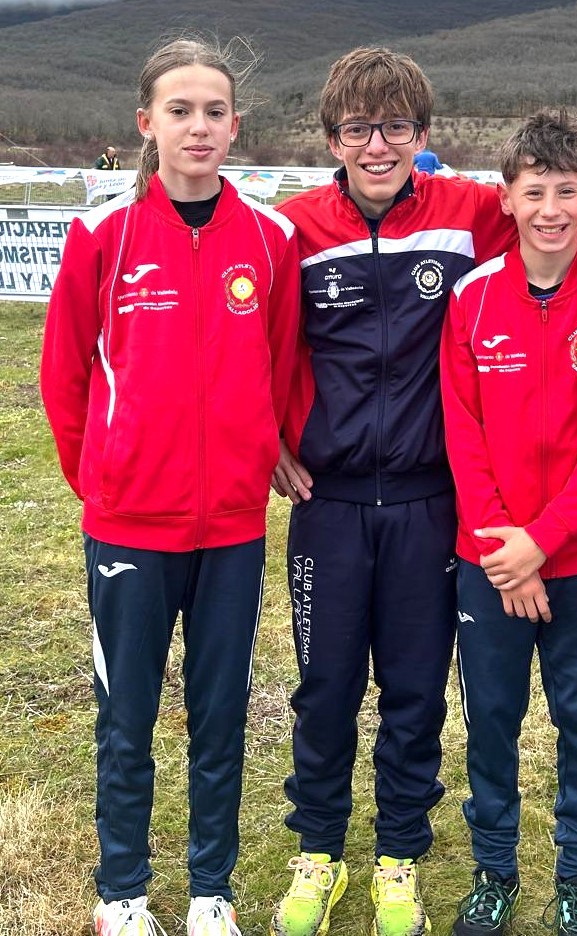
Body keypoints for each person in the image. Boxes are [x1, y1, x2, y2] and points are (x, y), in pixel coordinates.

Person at [270, 46, 577, 936]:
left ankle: (399, 857)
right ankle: (318, 852)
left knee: (415, 692)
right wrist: (266, 438)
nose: (378, 144)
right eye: (359, 128)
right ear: (332, 139)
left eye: (396, 126)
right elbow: (248, 333)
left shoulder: (469, 210)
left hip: (432, 505)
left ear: (422, 134)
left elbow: (569, 215)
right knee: (323, 689)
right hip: (330, 503)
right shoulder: (293, 227)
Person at [40, 35, 300, 936]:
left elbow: (278, 369)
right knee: (128, 719)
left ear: (236, 126)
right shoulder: (102, 235)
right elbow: (64, 377)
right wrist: (105, 481)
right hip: (129, 528)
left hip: (230, 529)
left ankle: (209, 893)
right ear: (146, 123)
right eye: (180, 111)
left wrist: (257, 454)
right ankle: (121, 895)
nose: (199, 127)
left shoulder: (269, 239)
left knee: (220, 717)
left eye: (215, 112)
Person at [440, 108, 577, 936]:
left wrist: (544, 543)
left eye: (567, 191)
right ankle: (494, 869)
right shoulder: (472, 299)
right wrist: (507, 549)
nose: (551, 210)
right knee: (490, 723)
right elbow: (463, 434)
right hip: (488, 563)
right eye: (534, 192)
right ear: (507, 197)